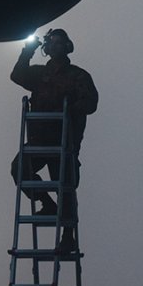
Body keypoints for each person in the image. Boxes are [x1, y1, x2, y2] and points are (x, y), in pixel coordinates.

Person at [9, 28, 98, 256]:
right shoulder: (39, 75)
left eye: (60, 43)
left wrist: (68, 112)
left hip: (65, 144)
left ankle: (68, 238)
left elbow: (91, 103)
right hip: (40, 141)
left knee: (66, 189)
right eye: (52, 43)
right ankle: (46, 203)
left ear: (67, 46)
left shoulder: (78, 76)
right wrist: (28, 51)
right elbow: (17, 75)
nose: (55, 46)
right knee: (19, 169)